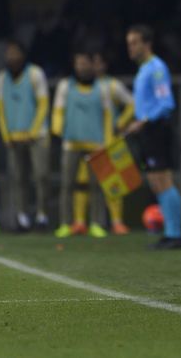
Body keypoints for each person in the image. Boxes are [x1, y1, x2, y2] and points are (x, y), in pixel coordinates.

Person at [124, 25, 181, 250]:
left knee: (163, 179)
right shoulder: (144, 69)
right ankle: (170, 233)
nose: (130, 48)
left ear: (146, 44)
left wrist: (144, 121)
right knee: (155, 182)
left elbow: (167, 103)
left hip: (156, 128)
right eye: (128, 43)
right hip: (147, 130)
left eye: (134, 43)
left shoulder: (157, 68)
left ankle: (175, 234)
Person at [70, 52, 134, 236]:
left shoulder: (112, 86)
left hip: (107, 141)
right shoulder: (79, 86)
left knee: (112, 182)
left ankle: (117, 222)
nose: (95, 67)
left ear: (105, 65)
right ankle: (80, 221)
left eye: (99, 63)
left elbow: (132, 104)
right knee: (82, 181)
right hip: (85, 140)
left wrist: (120, 123)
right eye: (92, 63)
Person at [52, 51, 113, 239]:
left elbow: (108, 115)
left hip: (95, 143)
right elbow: (58, 110)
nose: (82, 67)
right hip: (71, 144)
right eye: (78, 63)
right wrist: (57, 129)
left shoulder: (102, 88)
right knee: (67, 184)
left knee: (97, 186)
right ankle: (65, 223)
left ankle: (96, 223)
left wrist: (107, 141)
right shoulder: (65, 86)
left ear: (91, 65)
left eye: (85, 63)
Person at [0, 40, 50, 232]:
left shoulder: (35, 74)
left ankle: (42, 215)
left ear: (23, 55)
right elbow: (0, 109)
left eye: (15, 53)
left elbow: (43, 104)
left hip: (37, 135)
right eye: (8, 53)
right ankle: (22, 217)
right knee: (18, 179)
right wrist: (5, 134)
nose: (11, 57)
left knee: (41, 175)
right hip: (14, 136)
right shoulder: (2, 78)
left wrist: (33, 132)